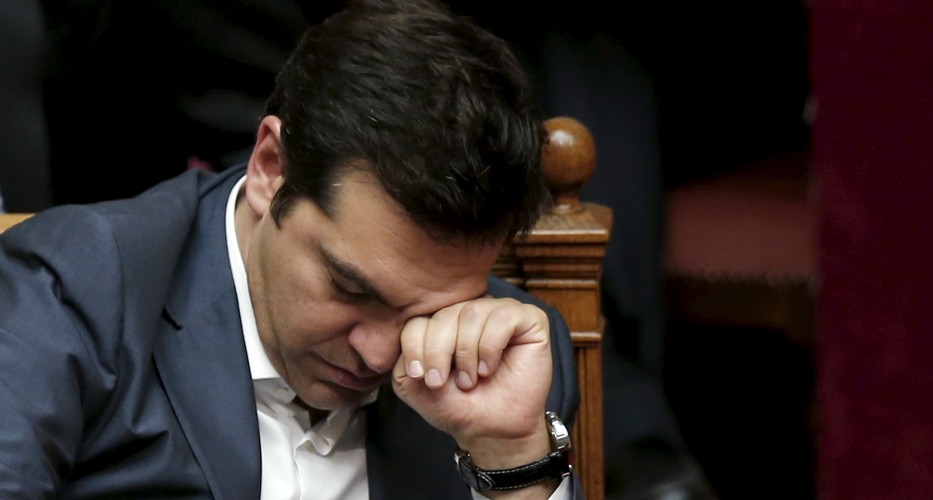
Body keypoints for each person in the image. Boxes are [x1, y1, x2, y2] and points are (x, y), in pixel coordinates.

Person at [0, 0, 582, 498]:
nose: (380, 355)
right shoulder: (73, 290)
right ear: (270, 168)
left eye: (427, 313)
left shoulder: (504, 363)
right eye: (350, 287)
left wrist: (511, 458)